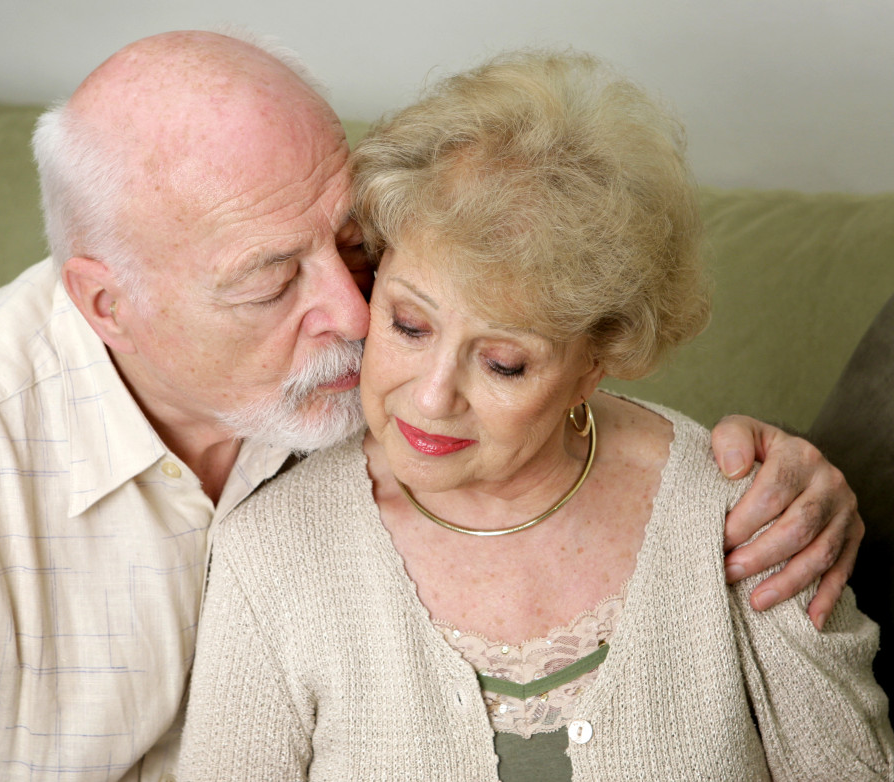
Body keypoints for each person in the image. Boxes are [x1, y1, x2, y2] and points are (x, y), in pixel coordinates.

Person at [0, 31, 866, 782]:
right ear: (105, 305)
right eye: (270, 277)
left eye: (350, 245)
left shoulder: (370, 355)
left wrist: (792, 478)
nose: (353, 313)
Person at [178, 49, 893, 780]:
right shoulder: (274, 554)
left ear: (595, 359)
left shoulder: (746, 515)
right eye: (409, 326)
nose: (430, 397)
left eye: (503, 363)